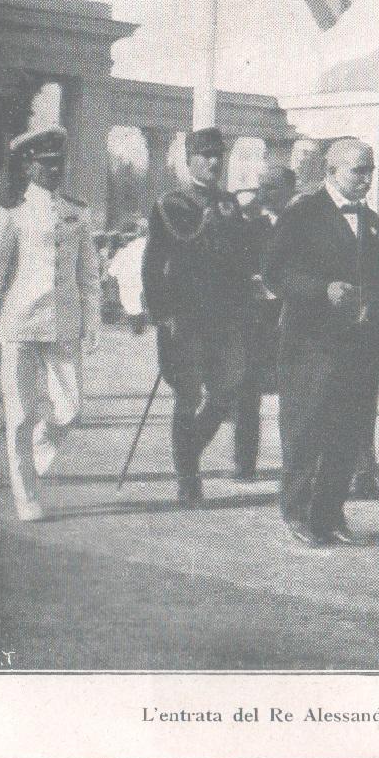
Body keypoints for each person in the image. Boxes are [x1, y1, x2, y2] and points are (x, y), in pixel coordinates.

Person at [265, 138, 379, 548]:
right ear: (331, 171)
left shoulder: (372, 220)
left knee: (349, 432)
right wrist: (322, 289)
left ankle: (330, 513)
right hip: (311, 344)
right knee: (306, 430)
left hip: (360, 345)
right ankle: (297, 513)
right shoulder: (303, 213)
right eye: (357, 170)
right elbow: (275, 273)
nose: (366, 179)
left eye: (371, 170)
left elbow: (376, 277)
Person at [0, 126, 101, 522]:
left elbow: (88, 275)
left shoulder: (77, 212)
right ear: (28, 166)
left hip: (63, 325)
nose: (54, 171)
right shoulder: (9, 214)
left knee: (71, 409)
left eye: (58, 164)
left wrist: (92, 320)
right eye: (46, 164)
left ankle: (38, 450)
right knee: (19, 415)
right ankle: (26, 494)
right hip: (18, 325)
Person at [142, 127, 256, 507]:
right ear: (188, 158)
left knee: (227, 392)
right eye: (205, 155)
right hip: (185, 318)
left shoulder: (229, 204)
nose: (213, 162)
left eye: (218, 156)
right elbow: (153, 264)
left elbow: (241, 259)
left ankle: (188, 452)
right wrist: (162, 312)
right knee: (188, 395)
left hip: (225, 318)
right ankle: (188, 477)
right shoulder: (170, 204)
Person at [232, 165, 297, 483]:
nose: (263, 194)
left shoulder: (304, 227)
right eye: (261, 187)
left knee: (294, 395)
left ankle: (293, 464)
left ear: (289, 190)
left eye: (271, 187)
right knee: (246, 395)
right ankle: (244, 464)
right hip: (254, 322)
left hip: (291, 321)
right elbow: (234, 269)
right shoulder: (248, 228)